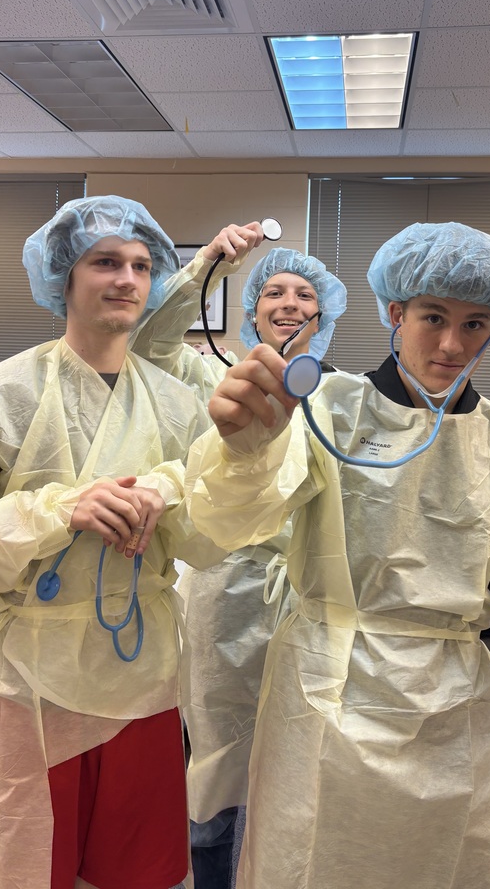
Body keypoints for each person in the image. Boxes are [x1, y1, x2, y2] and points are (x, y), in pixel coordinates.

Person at [185, 221, 490, 889]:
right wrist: (243, 453)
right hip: (326, 687)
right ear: (396, 313)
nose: (453, 344)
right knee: (313, 861)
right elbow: (228, 525)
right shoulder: (326, 409)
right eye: (434, 317)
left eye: (475, 323)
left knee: (446, 864)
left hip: (452, 701)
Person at [0, 194, 226, 889]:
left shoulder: (179, 404)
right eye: (106, 262)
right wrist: (56, 510)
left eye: (140, 265)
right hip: (33, 672)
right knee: (34, 858)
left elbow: (214, 534)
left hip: (144, 667)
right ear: (63, 277)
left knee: (141, 866)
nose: (127, 279)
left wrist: (171, 491)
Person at [132, 243, 347, 889]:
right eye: (274, 292)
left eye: (305, 294)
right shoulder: (211, 373)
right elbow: (147, 346)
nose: (290, 304)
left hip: (310, 600)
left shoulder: (343, 396)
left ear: (324, 312)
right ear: (252, 311)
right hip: (226, 591)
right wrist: (206, 268)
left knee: (306, 770)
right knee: (218, 767)